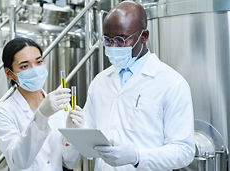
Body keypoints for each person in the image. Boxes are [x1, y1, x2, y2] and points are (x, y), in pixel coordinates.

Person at [83, 1, 195, 170]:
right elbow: (88, 138)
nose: (113, 47)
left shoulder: (172, 83)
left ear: (144, 36)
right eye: (108, 40)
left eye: (121, 40)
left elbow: (184, 151)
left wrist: (137, 157)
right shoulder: (100, 81)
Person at [0, 38, 84, 171]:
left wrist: (71, 137)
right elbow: (18, 162)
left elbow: (69, 163)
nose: (35, 70)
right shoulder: (4, 111)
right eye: (25, 66)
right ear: (9, 73)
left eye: (39, 62)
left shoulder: (62, 105)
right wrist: (41, 115)